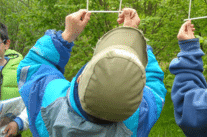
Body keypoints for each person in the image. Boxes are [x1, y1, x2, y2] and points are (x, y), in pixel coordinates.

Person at [17, 8, 166, 137]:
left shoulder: (53, 103)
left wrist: (68, 34)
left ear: (80, 78)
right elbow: (154, 85)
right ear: (138, 96)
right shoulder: (139, 119)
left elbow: (32, 66)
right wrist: (133, 35)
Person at [0, 23, 29, 137]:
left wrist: (19, 123)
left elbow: (31, 101)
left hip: (10, 133)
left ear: (6, 44)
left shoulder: (21, 71)